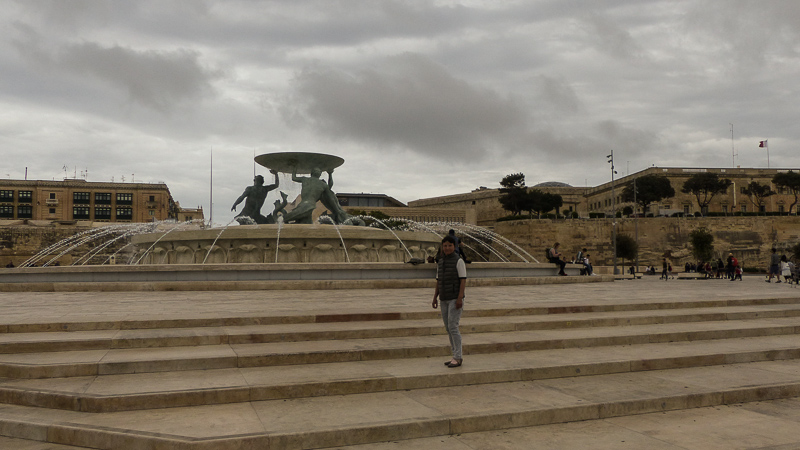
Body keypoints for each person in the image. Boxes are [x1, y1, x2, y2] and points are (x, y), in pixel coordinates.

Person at [432, 235, 466, 368]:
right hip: (444, 298)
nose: (447, 248)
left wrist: (460, 298)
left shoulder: (459, 261)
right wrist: (435, 297)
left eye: (449, 245)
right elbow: (438, 280)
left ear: (454, 246)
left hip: (454, 298)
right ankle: (454, 355)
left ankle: (458, 357)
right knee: (448, 328)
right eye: (445, 245)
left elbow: (463, 280)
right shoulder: (440, 261)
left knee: (453, 326)